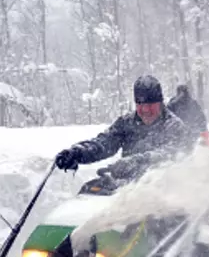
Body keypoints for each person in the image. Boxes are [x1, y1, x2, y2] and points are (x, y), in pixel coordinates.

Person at [54, 75, 194, 180]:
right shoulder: (127, 123)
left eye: (150, 104)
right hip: (124, 188)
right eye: (140, 105)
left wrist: (136, 162)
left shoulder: (174, 126)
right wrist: (79, 152)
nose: (145, 110)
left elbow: (172, 154)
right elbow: (104, 143)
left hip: (163, 194)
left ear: (160, 102)